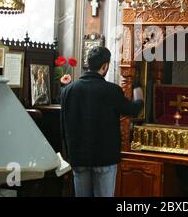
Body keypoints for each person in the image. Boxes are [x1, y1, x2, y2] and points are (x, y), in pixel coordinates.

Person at [60, 46, 144, 197]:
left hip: (78, 158)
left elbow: (63, 127)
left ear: (88, 64)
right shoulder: (112, 90)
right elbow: (133, 110)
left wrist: (69, 155)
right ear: (105, 66)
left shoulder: (68, 91)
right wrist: (138, 91)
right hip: (104, 158)